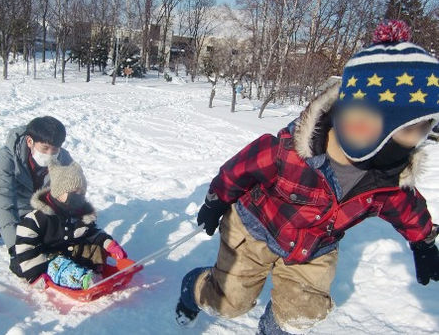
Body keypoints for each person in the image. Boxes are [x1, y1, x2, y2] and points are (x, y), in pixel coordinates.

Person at [176, 20, 439, 334]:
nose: (419, 141)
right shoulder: (289, 152)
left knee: (303, 313)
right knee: (230, 304)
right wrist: (217, 200)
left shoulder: (386, 181)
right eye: (414, 129)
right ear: (372, 123)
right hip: (255, 230)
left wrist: (423, 243)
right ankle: (194, 289)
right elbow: (240, 168)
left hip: (315, 246)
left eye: (426, 129)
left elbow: (408, 209)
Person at [0, 116, 73, 275]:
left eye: (55, 149)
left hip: (30, 206)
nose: (50, 154)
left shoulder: (63, 159)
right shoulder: (6, 158)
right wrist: (15, 250)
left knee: (43, 242)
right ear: (30, 141)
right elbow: (2, 204)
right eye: (45, 148)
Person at [14, 161, 127, 288]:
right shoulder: (38, 218)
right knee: (57, 264)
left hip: (68, 253)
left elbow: (91, 232)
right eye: (74, 192)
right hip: (45, 260)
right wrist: (34, 275)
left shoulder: (78, 212)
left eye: (81, 193)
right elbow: (25, 247)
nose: (78, 196)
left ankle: (96, 271)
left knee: (95, 247)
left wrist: (108, 243)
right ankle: (83, 280)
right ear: (58, 192)